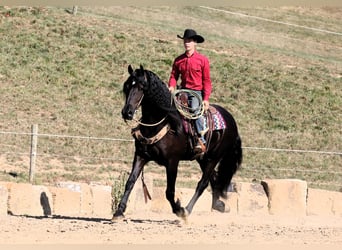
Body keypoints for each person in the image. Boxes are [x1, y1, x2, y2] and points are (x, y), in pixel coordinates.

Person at [168, 28, 212, 154]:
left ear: (195, 43)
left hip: (196, 93)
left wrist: (206, 99)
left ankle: (201, 140)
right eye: (185, 40)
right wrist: (171, 86)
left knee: (194, 110)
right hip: (182, 91)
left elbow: (207, 81)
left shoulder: (202, 60)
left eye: (190, 40)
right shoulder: (178, 60)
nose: (187, 42)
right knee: (169, 108)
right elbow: (173, 76)